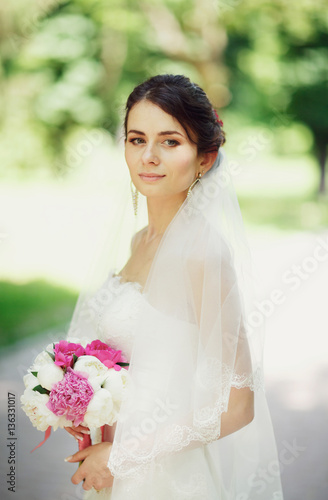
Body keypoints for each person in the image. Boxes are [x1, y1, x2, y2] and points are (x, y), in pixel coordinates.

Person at [63, 74, 284, 499]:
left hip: (165, 477)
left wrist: (125, 456)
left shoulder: (203, 255)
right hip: (109, 463)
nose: (148, 156)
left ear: (205, 158)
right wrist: (83, 400)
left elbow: (238, 407)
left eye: (170, 142)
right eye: (135, 139)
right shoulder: (137, 242)